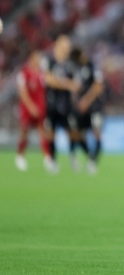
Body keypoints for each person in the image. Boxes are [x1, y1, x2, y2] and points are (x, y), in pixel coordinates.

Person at [41, 35, 81, 173]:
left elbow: (76, 85)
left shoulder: (71, 64)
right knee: (51, 133)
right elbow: (49, 80)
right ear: (58, 45)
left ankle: (72, 156)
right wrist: (66, 84)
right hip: (52, 103)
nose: (68, 48)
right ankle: (52, 160)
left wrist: (63, 84)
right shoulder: (50, 61)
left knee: (72, 132)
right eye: (65, 45)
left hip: (67, 104)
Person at [15, 51, 55, 172]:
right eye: (37, 58)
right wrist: (31, 107)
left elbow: (51, 83)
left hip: (41, 109)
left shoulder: (42, 73)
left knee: (43, 132)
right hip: (28, 109)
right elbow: (23, 92)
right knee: (24, 131)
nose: (39, 61)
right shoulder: (24, 73)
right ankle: (20, 156)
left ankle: (48, 159)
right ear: (31, 59)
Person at [70, 47, 105, 175]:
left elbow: (98, 87)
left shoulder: (93, 67)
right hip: (81, 107)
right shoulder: (78, 69)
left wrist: (86, 100)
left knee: (97, 132)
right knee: (78, 133)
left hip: (94, 107)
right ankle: (90, 156)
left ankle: (93, 161)